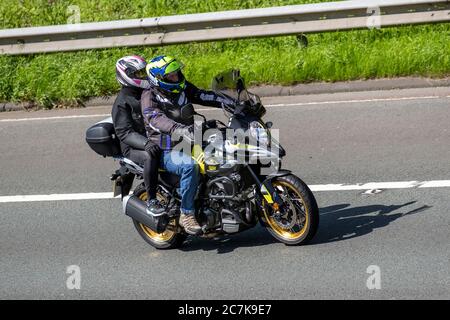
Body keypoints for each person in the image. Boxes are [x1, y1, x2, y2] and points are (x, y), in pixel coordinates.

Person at [141, 55, 234, 235]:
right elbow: (156, 120)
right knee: (189, 166)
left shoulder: (182, 88)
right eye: (171, 76)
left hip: (190, 139)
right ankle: (187, 214)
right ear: (158, 78)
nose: (176, 77)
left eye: (177, 72)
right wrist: (179, 129)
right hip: (165, 149)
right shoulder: (149, 97)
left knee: (227, 148)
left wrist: (230, 100)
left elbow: (202, 95)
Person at [111, 55, 165, 216]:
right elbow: (124, 132)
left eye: (143, 73)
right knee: (150, 156)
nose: (143, 77)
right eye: (138, 74)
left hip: (154, 136)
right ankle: (152, 200)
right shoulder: (122, 103)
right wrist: (145, 144)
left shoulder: (148, 92)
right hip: (134, 147)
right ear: (126, 75)